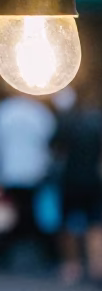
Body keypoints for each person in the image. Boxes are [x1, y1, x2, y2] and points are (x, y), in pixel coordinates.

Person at [51, 86, 102, 286]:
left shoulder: (69, 120)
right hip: (97, 181)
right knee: (97, 223)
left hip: (71, 179)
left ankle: (72, 266)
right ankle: (99, 269)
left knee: (68, 224)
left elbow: (55, 147)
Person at [0, 93, 56, 256]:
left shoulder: (6, 110)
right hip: (35, 171)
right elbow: (50, 138)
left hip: (11, 171)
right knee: (35, 211)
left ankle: (6, 250)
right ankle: (43, 251)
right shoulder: (39, 111)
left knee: (11, 212)